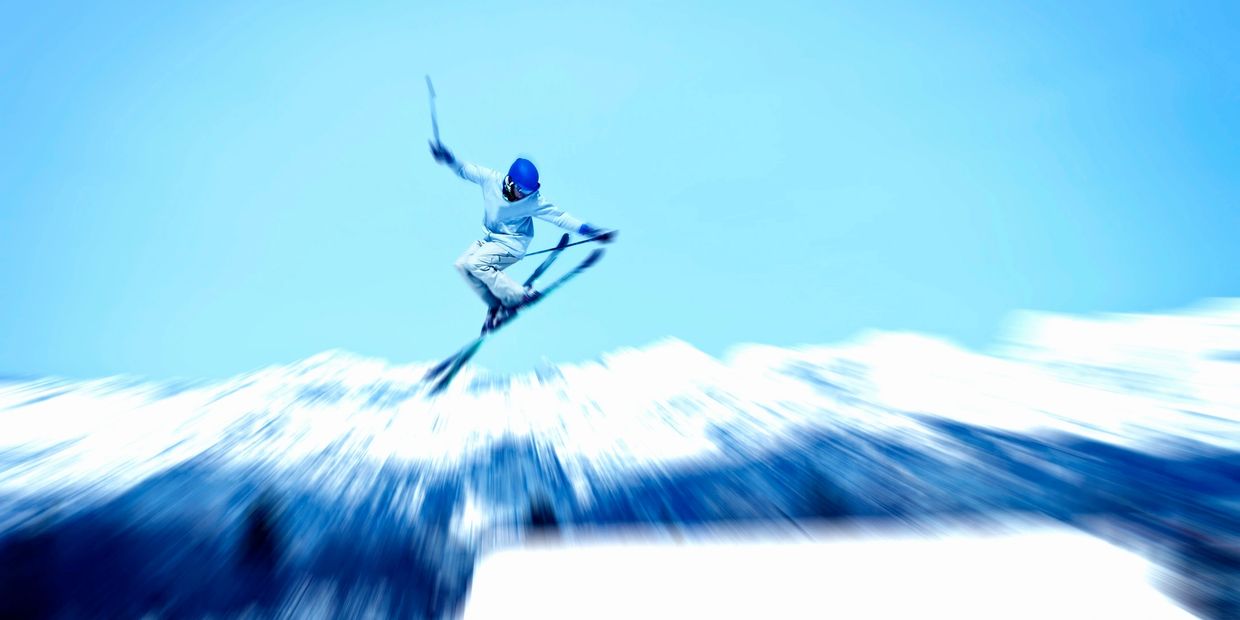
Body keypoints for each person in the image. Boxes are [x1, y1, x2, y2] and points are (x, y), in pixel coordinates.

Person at [429, 140, 616, 332]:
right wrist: (448, 158)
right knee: (462, 265)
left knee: (477, 263)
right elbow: (463, 170)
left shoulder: (533, 201)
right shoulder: (490, 179)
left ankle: (519, 296)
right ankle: (496, 307)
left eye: (529, 191)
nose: (525, 195)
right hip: (492, 239)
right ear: (510, 182)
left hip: (512, 244)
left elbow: (559, 217)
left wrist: (591, 231)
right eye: (523, 190)